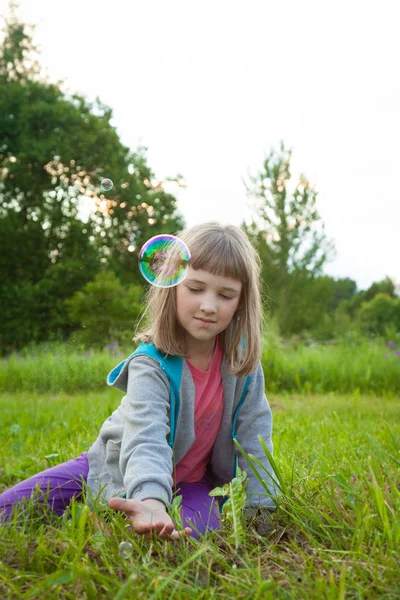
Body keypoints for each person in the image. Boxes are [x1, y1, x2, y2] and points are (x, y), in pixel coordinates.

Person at [0, 221, 278, 542]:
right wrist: (151, 501)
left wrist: (260, 510)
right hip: (111, 467)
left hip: (190, 482)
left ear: (242, 302)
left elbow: (255, 439)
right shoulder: (152, 362)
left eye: (226, 295)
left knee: (198, 534)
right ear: (172, 287)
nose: (208, 306)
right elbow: (146, 439)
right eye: (196, 288)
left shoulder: (241, 365)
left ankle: (125, 514)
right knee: (10, 510)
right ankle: (112, 507)